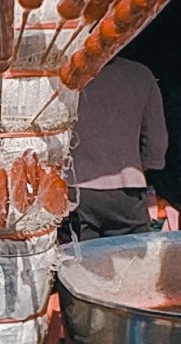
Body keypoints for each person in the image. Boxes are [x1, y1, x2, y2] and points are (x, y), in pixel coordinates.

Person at [67, 54, 170, 237]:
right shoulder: (140, 75)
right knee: (129, 260)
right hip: (127, 190)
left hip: (76, 190)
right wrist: (140, 168)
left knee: (80, 262)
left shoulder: (67, 75)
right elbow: (156, 144)